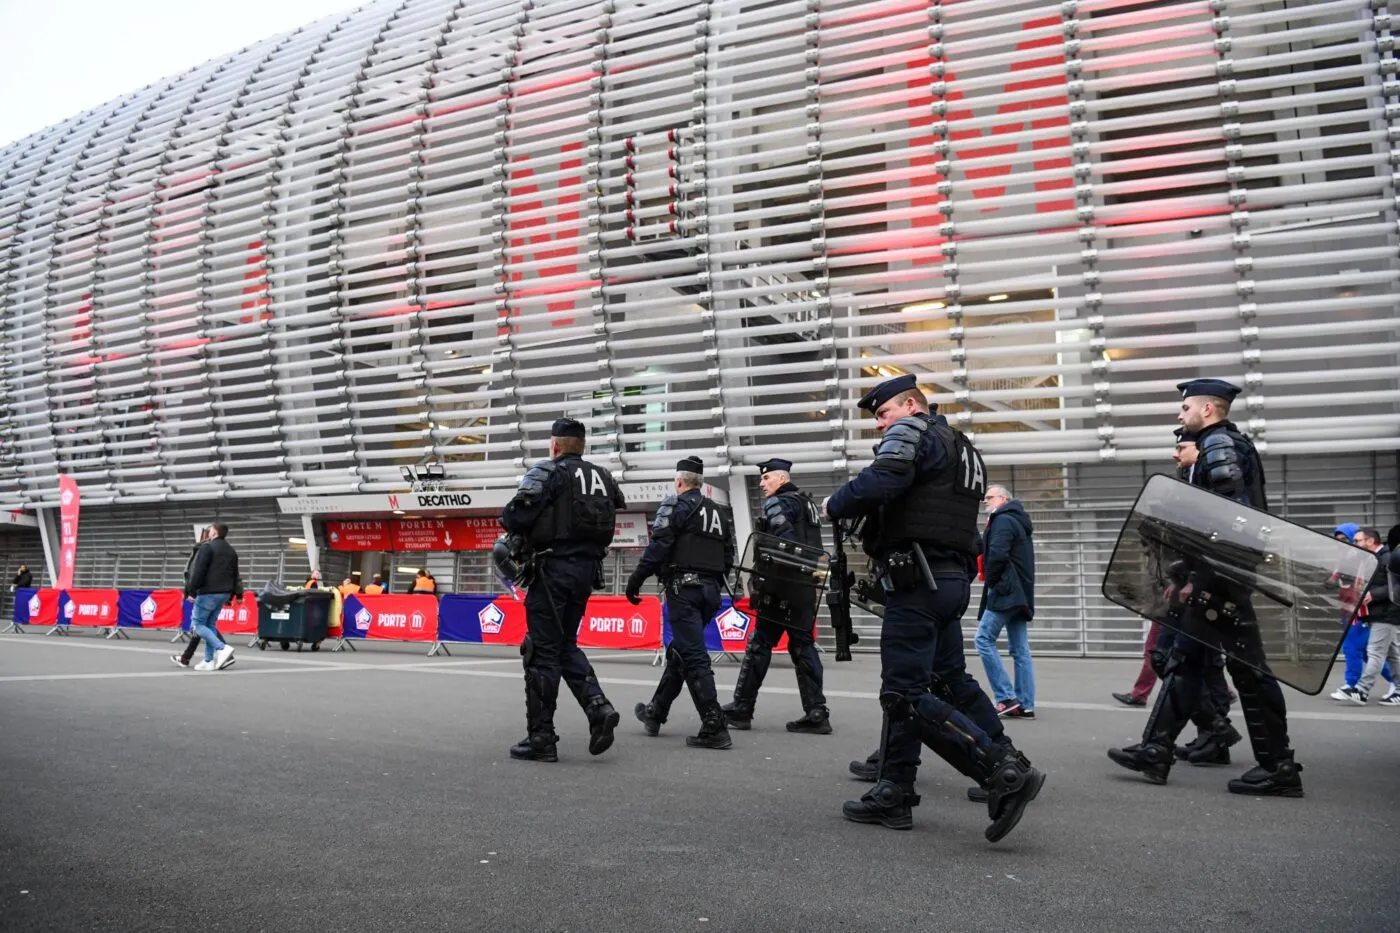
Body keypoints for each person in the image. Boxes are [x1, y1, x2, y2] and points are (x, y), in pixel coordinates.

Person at [825, 374, 1044, 840]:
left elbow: (882, 480)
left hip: (918, 581)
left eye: (883, 414)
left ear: (909, 404)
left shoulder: (914, 430)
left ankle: (1001, 772)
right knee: (946, 680)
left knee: (903, 694)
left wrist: (832, 504)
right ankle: (895, 790)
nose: (881, 427)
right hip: (947, 579)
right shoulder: (962, 445)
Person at [1109, 378, 1302, 796]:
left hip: (1224, 577)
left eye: (1185, 409)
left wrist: (1196, 573)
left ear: (1208, 409)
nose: (1180, 416)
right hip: (1217, 574)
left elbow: (1231, 516)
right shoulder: (1216, 445)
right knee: (1183, 659)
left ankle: (1279, 767)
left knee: (1248, 671)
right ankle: (1157, 749)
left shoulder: (1219, 445)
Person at [499, 417, 627, 762]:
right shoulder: (603, 476)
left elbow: (515, 515)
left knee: (541, 651)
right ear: (582, 445)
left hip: (551, 569)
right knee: (563, 643)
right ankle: (597, 707)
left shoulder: (549, 472)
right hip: (586, 572)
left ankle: (542, 737)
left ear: (554, 445)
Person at [629, 457, 736, 750]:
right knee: (681, 649)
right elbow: (728, 555)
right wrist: (713, 582)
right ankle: (656, 711)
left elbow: (659, 546)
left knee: (693, 656)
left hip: (684, 589)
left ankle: (714, 725)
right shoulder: (718, 512)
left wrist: (636, 579)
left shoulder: (675, 505)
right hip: (711, 592)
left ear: (679, 481)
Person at [721, 457, 831, 734]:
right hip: (807, 586)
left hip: (783, 585)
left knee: (759, 645)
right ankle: (817, 711)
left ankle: (742, 708)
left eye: (766, 478)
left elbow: (785, 544)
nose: (761, 483)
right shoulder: (806, 503)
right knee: (803, 645)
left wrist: (762, 581)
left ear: (781, 479)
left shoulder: (778, 503)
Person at [1115, 428, 1198, 707]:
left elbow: (1177, 561)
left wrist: (1180, 582)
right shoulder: (1162, 533)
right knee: (1194, 648)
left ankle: (1141, 693)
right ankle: (1220, 692)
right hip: (1174, 589)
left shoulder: (1171, 531)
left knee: (1158, 647)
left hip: (1176, 592)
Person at [974, 485, 1036, 719]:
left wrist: (992, 580)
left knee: (982, 639)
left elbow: (997, 555)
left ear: (1003, 498)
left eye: (989, 497)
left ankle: (1005, 698)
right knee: (1020, 649)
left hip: (1006, 592)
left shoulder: (1002, 520)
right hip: (1020, 592)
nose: (985, 501)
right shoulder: (1018, 520)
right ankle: (1026, 703)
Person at [1328, 523, 1393, 701]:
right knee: (1368, 651)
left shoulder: (1369, 558)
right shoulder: (1349, 557)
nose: (1342, 543)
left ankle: (1353, 685)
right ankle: (1394, 681)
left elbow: (1391, 585)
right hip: (1350, 607)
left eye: (1346, 540)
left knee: (1354, 647)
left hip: (1363, 609)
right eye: (1338, 540)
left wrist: (1372, 595)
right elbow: (1336, 577)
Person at [1344, 527, 1400, 706]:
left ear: (1370, 541)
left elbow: (1397, 585)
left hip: (1387, 613)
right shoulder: (1373, 559)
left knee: (1375, 652)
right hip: (1379, 612)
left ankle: (1362, 690)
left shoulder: (1387, 558)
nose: (1355, 544)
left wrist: (1373, 595)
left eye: (1357, 541)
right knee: (1392, 655)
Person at [183, 523, 240, 672]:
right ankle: (208, 661)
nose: (208, 533)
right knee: (210, 625)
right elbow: (235, 574)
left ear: (214, 533)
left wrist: (192, 591)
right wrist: (235, 594)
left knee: (197, 624)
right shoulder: (232, 551)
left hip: (208, 591)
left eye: (210, 530)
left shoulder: (207, 547)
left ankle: (222, 648)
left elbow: (199, 570)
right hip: (225, 592)